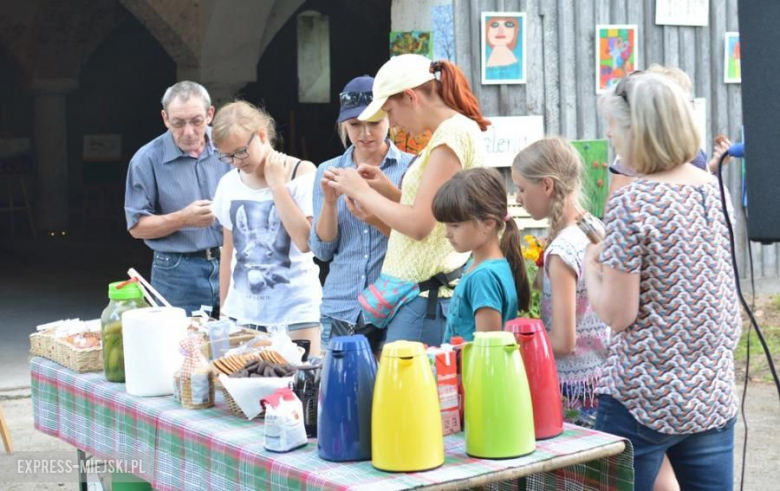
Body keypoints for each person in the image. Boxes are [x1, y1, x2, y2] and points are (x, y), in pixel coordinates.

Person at [584, 72, 741, 491]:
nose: (610, 137)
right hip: (711, 394)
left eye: (614, 127)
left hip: (643, 397)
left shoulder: (633, 200)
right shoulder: (714, 190)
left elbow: (618, 315)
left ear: (640, 133)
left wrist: (589, 265)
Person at [326, 54, 489, 347]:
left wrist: (362, 192)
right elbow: (435, 217)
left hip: (423, 301)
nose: (395, 124)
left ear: (411, 97)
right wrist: (386, 194)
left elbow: (420, 225)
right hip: (419, 299)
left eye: (390, 110)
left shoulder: (450, 136)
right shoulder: (453, 131)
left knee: (405, 392)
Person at [512, 137, 610, 428]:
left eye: (521, 189)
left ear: (546, 185)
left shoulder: (562, 251)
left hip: (577, 395)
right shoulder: (591, 226)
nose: (518, 198)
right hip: (602, 379)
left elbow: (564, 342)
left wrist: (513, 346)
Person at [310, 76, 413, 351]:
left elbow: (416, 240)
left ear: (389, 119)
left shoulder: (410, 169)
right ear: (343, 124)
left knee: (389, 392)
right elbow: (322, 251)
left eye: (374, 122)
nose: (365, 133)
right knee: (338, 392)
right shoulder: (328, 171)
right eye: (355, 124)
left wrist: (375, 215)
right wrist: (330, 204)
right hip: (341, 306)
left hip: (394, 306)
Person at [210, 101, 323, 355]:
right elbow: (229, 253)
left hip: (296, 312)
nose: (236, 162)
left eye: (240, 152)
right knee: (245, 386)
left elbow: (306, 242)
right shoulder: (228, 184)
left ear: (261, 135)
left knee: (302, 389)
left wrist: (277, 187)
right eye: (227, 156)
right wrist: (225, 312)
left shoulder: (301, 172)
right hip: (244, 316)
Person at [124, 81, 232, 315]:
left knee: (237, 343)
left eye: (196, 121)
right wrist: (183, 218)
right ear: (165, 118)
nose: (189, 132)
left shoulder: (231, 146)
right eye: (178, 123)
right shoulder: (146, 160)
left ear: (210, 114)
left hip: (233, 260)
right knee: (178, 345)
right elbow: (136, 227)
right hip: (176, 269)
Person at [607, 65, 733, 204]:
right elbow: (616, 202)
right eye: (683, 103)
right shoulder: (633, 154)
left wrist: (714, 165)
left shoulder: (692, 152)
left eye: (690, 102)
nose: (690, 108)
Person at [431, 168, 529, 342]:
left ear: (488, 224)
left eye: (454, 225)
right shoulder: (480, 267)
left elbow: (488, 351)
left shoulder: (483, 277)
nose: (447, 234)